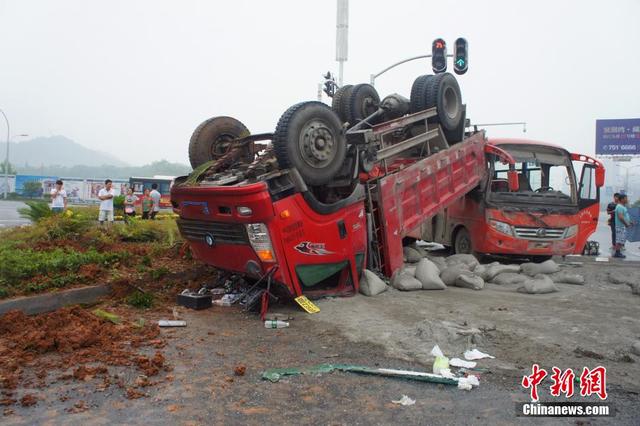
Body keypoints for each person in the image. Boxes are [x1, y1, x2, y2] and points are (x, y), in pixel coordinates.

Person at [613, 194, 632, 258]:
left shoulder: (623, 207)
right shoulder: (620, 207)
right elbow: (620, 217)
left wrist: (629, 222)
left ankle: (618, 252)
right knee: (619, 240)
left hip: (622, 226)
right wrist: (626, 224)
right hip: (620, 226)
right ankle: (617, 253)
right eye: (625, 198)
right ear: (622, 199)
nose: (627, 199)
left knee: (622, 240)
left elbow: (624, 216)